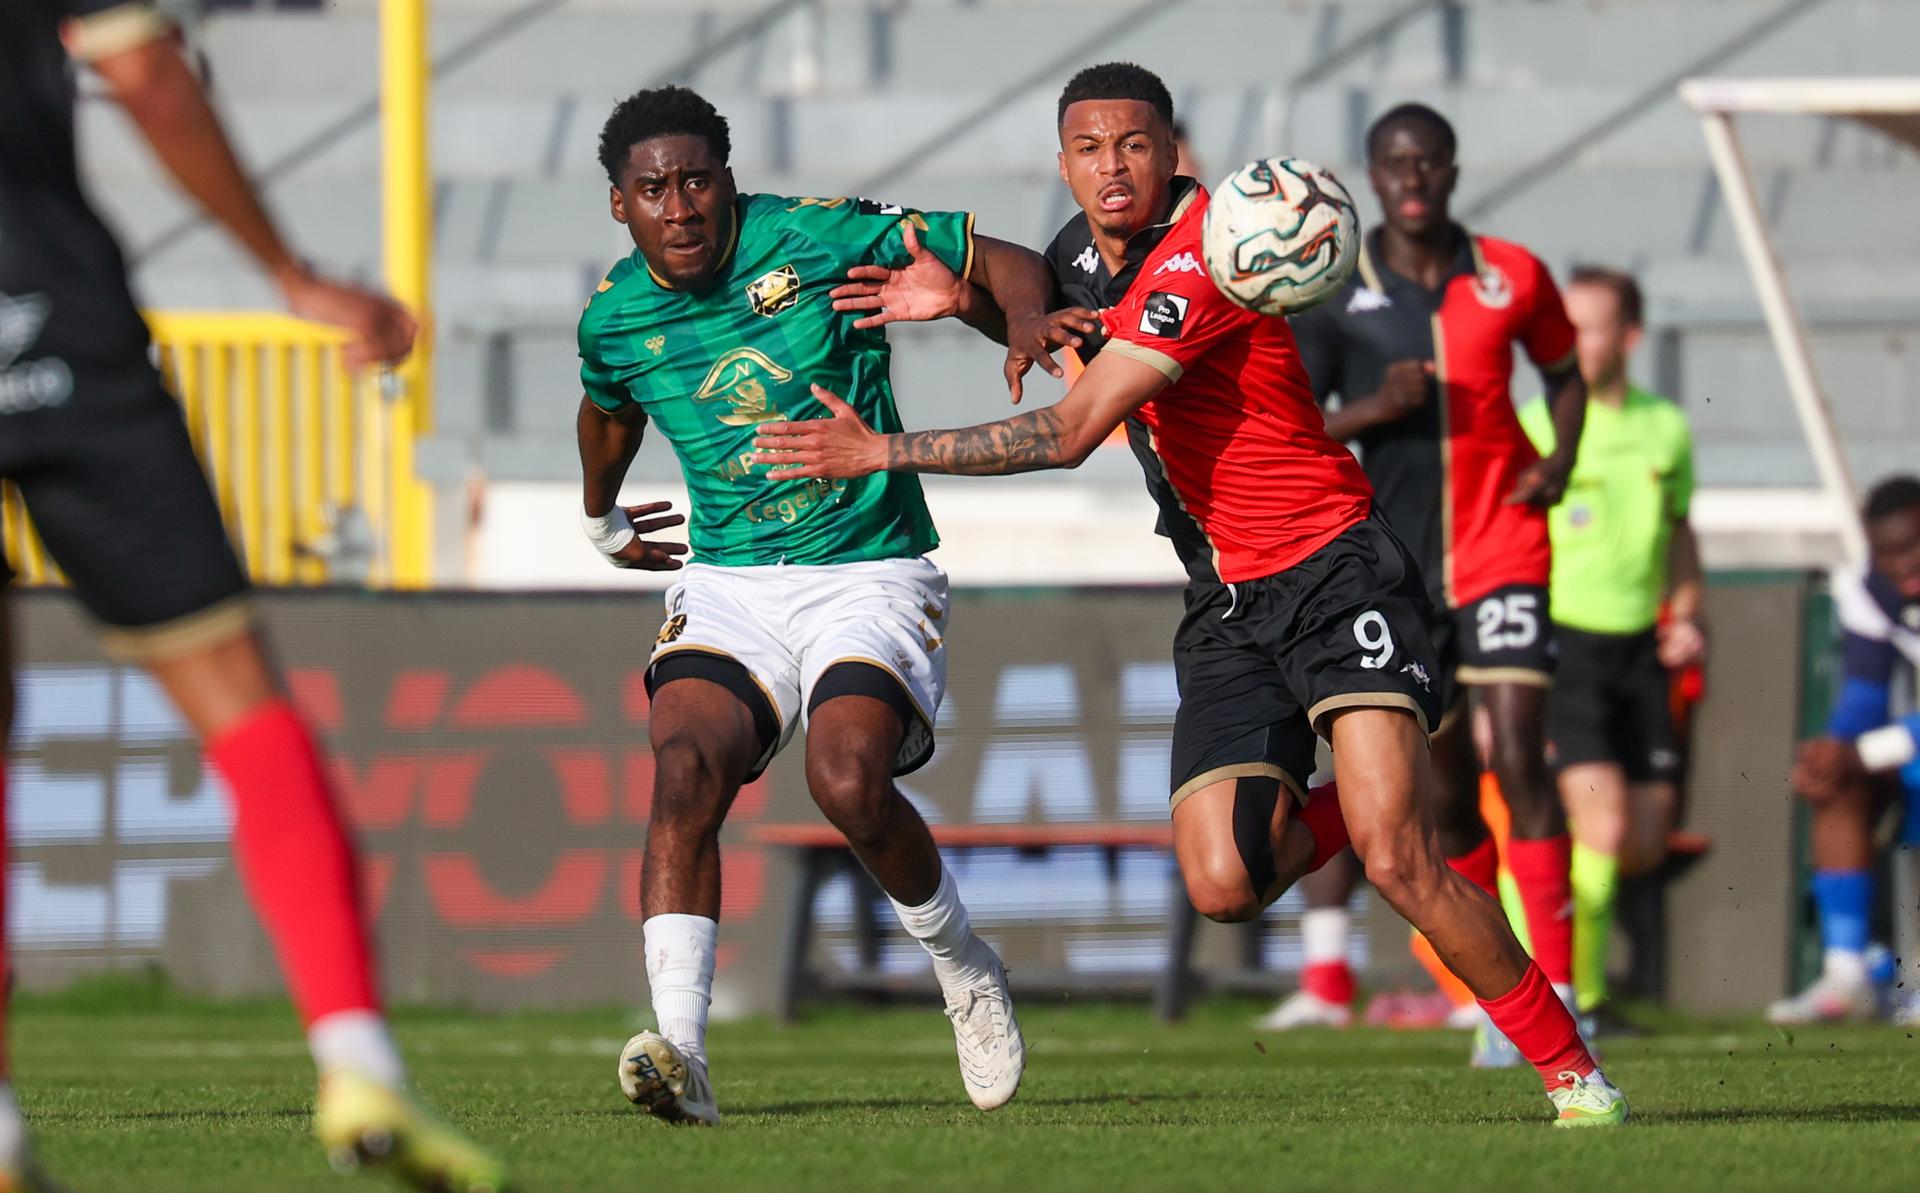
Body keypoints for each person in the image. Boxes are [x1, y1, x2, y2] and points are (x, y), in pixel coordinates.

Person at [751, 62, 1627, 1127]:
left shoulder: (1208, 255)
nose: (1113, 167)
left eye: (1135, 145)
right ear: (1064, 162)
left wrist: (881, 449)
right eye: (1090, 148)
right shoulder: (1085, 251)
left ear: (1174, 154)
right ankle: (1380, 784)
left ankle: (1575, 1075)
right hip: (1226, 598)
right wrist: (975, 304)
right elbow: (1051, 297)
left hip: (1333, 565)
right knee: (1223, 883)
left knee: (1401, 859)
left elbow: (1072, 430)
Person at [0, 4, 504, 1190]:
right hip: (55, 322)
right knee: (239, 703)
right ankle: (357, 1060)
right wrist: (290, 273)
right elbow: (148, 73)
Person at [577, 86, 1061, 1126]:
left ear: (729, 179)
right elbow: (607, 406)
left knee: (846, 779)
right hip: (731, 584)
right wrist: (601, 517)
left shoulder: (818, 235)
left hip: (868, 567)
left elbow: (1000, 258)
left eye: (697, 180)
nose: (679, 206)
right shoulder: (615, 315)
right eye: (653, 189)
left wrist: (1021, 318)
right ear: (620, 204)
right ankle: (684, 1053)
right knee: (684, 766)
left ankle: (965, 967)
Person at [1266, 103, 1588, 1060]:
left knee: (1519, 752)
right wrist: (1375, 407)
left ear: (1451, 169)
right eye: (1396, 164)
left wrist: (1561, 459)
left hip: (1504, 544)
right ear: (1372, 176)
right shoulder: (1332, 290)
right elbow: (1297, 428)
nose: (1413, 178)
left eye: (1429, 161)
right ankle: (1498, 990)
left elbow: (1566, 372)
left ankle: (1565, 986)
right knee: (1442, 789)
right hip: (1396, 567)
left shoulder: (1511, 273)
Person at [1518, 266, 1706, 1026]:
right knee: (1606, 826)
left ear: (1629, 337)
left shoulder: (1667, 428)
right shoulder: (1536, 424)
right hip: (1566, 647)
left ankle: (1534, 918)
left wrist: (1687, 612)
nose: (1571, 341)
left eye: (1588, 327)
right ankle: (1577, 1000)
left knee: (1643, 842)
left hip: (1642, 652)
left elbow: (1681, 532)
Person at [1773, 475, 1920, 1024]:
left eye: (1912, 546)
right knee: (1838, 783)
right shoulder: (1870, 588)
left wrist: (1862, 752)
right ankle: (1847, 975)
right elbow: (1865, 693)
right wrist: (1834, 752)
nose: (1901, 564)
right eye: (1887, 553)